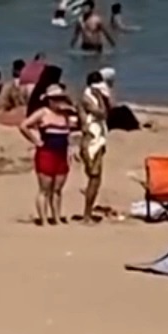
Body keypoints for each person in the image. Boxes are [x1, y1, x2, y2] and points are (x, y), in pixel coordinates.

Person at [20, 83, 74, 224]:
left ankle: (56, 217)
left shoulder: (65, 114)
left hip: (62, 153)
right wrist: (36, 141)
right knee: (45, 189)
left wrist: (71, 150)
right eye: (55, 99)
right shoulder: (42, 113)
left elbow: (69, 133)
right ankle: (43, 219)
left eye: (60, 98)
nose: (58, 101)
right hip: (47, 152)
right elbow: (24, 125)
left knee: (57, 189)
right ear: (49, 100)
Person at [76, 70, 110, 222]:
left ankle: (87, 213)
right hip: (91, 141)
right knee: (94, 178)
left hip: (98, 139)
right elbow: (102, 114)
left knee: (96, 179)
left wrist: (104, 96)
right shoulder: (86, 98)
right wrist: (99, 98)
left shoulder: (94, 96)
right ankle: (86, 214)